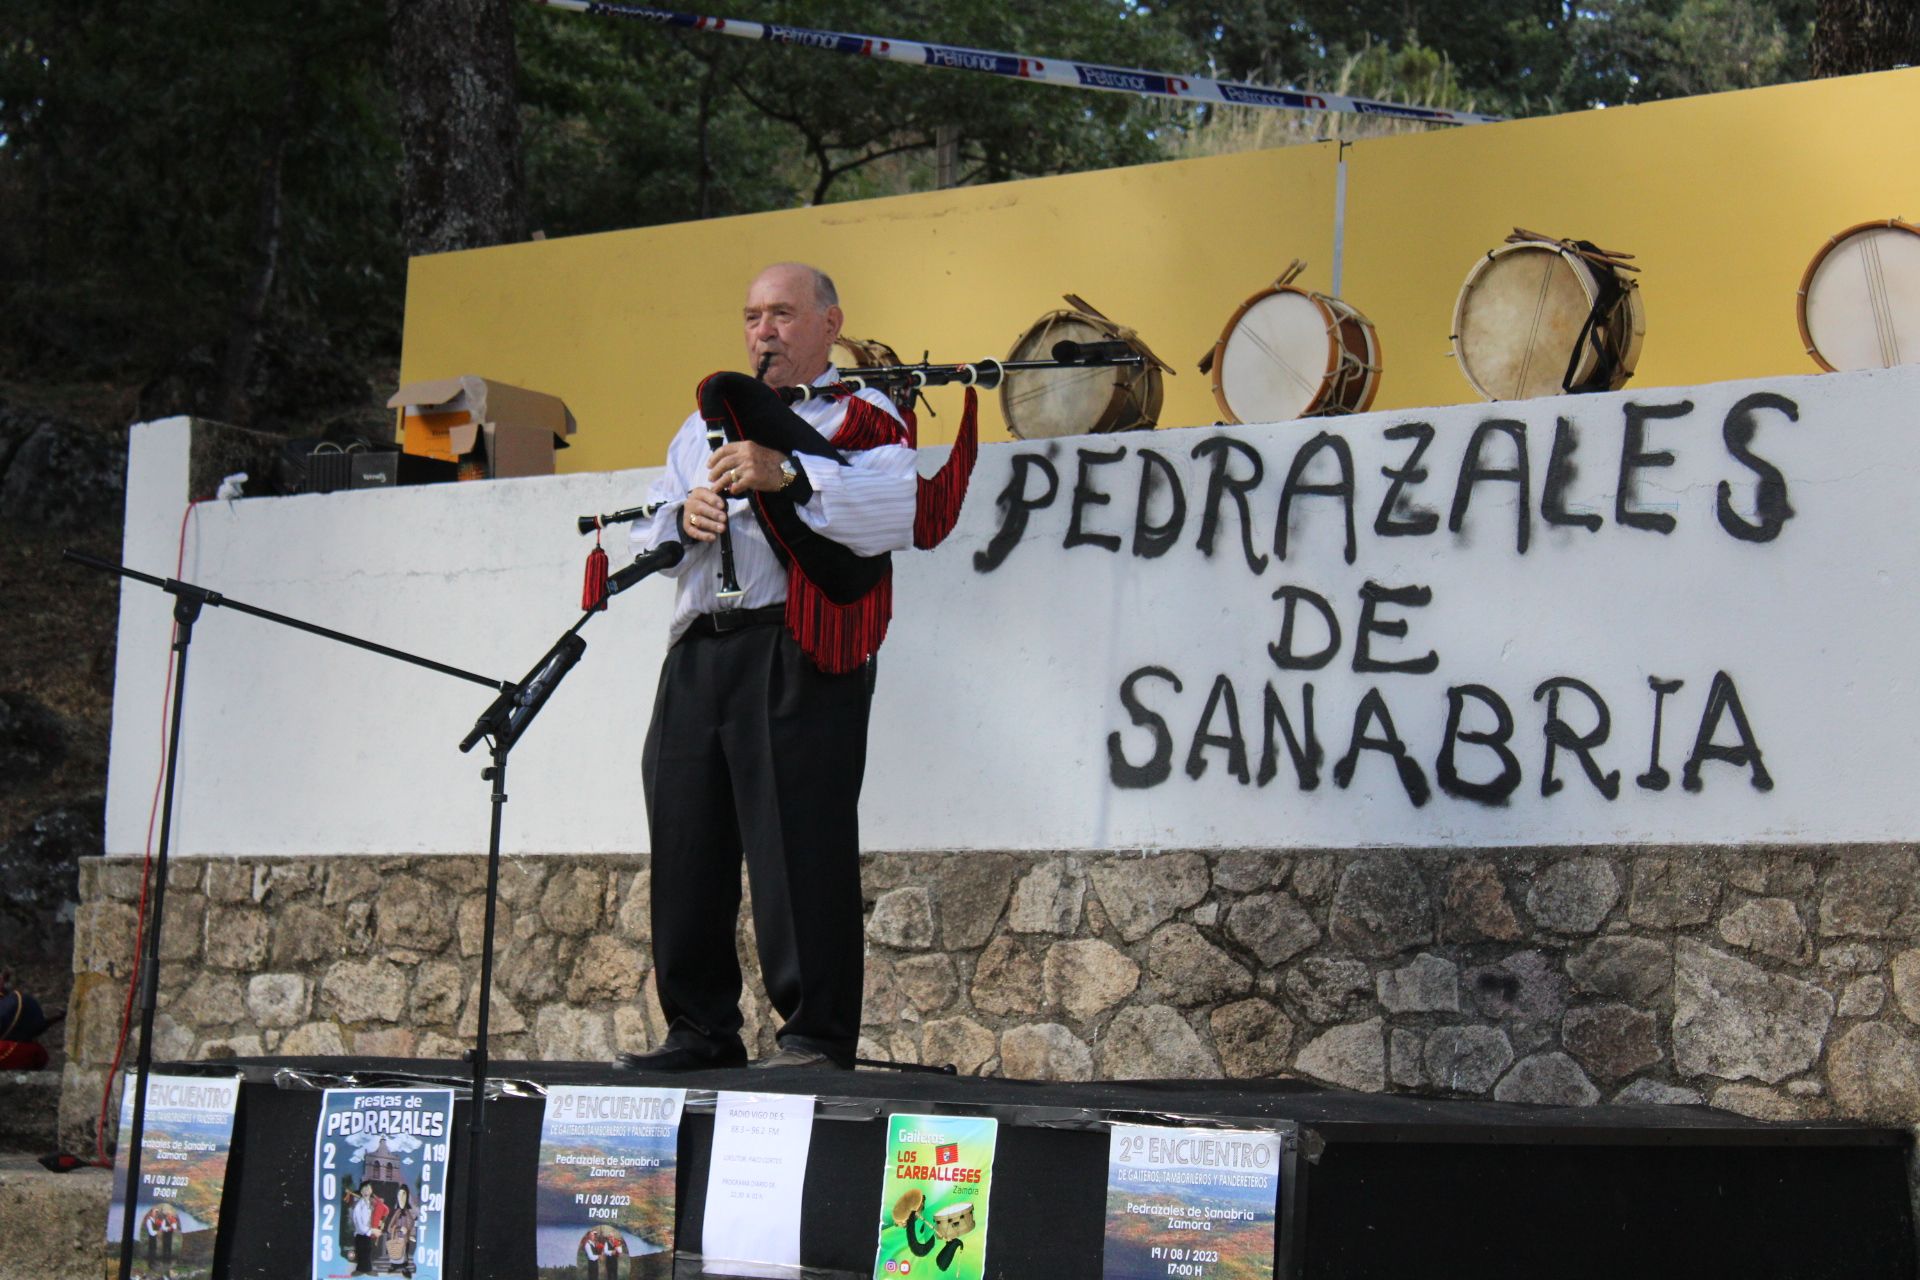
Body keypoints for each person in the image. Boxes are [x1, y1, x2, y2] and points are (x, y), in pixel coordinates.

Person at [619, 263, 917, 1072]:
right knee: (685, 835)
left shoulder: (866, 414)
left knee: (799, 838)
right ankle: (700, 1027)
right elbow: (651, 529)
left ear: (830, 322)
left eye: (783, 314)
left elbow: (897, 507)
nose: (764, 331)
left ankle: (815, 1034)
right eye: (753, 316)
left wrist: (785, 474)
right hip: (698, 647)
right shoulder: (700, 427)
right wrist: (682, 516)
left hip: (797, 642)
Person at [348, 1183, 376, 1275]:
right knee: (362, 1251)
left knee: (367, 1251)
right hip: (361, 1234)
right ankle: (360, 1270)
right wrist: (370, 1231)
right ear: (361, 1192)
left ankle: (368, 1269)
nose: (366, 1192)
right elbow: (359, 1224)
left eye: (368, 1189)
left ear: (371, 1191)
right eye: (364, 1190)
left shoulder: (369, 1204)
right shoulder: (359, 1205)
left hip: (367, 1234)